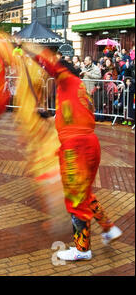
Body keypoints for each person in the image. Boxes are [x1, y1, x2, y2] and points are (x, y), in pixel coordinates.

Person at [25, 44, 122, 261]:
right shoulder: (76, 89)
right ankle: (108, 228)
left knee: (75, 197)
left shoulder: (67, 80)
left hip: (75, 149)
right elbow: (70, 119)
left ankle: (82, 249)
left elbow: (50, 64)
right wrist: (47, 116)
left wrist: (27, 50)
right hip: (88, 143)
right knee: (84, 192)